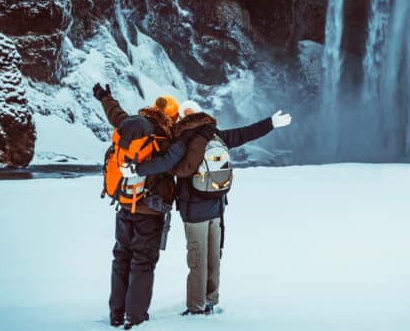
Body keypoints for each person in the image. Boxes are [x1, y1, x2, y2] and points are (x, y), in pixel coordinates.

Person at [121, 100, 292, 316]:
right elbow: (244, 133)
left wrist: (137, 169)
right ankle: (211, 299)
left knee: (197, 259)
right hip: (217, 206)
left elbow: (166, 162)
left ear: (183, 117)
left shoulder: (185, 137)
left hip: (195, 210)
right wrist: (270, 123)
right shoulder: (215, 134)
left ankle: (196, 307)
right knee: (213, 257)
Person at [93, 83, 184, 329]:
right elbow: (172, 163)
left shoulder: (132, 125)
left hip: (124, 205)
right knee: (142, 262)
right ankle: (135, 318)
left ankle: (116, 314)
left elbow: (115, 114)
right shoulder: (167, 138)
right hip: (150, 211)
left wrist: (105, 97)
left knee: (121, 258)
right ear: (172, 117)